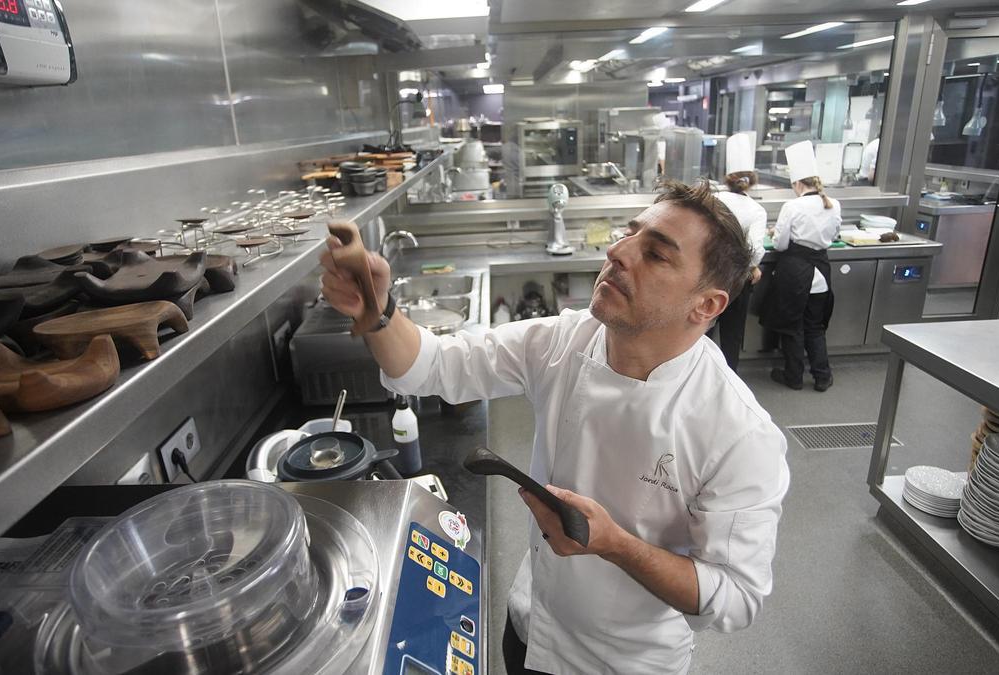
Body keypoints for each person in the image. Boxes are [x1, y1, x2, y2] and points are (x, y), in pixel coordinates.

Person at [319, 181, 789, 675]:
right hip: (530, 624)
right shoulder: (566, 341)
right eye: (629, 234)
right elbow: (434, 364)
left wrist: (617, 545)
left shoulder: (738, 433)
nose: (618, 252)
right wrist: (378, 311)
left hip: (623, 663)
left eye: (655, 254)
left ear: (707, 305)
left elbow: (735, 596)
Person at [761, 140, 841, 392]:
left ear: (797, 183)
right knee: (814, 327)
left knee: (792, 327)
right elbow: (833, 235)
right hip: (821, 274)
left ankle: (794, 377)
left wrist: (774, 233)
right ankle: (822, 376)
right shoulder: (834, 204)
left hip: (795, 273)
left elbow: (780, 244)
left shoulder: (793, 206)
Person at [710, 131, 767, 372]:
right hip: (737, 279)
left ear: (727, 179)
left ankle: (695, 377)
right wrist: (752, 266)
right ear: (751, 181)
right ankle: (728, 377)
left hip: (708, 274)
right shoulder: (756, 210)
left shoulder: (712, 200)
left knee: (701, 330)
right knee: (732, 335)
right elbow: (754, 248)